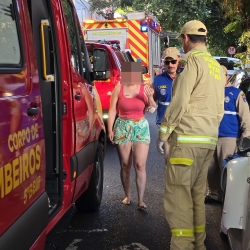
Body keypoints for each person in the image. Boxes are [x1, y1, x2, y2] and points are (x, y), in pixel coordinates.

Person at [156, 20, 225, 249]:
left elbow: (180, 101)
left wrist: (163, 134)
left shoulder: (190, 62)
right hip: (207, 142)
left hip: (185, 141)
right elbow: (218, 110)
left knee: (179, 200)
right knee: (196, 200)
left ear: (185, 38)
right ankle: (199, 245)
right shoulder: (215, 66)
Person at [108, 62, 156, 209]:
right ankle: (128, 196)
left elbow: (152, 108)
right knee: (125, 164)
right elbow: (111, 110)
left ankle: (141, 200)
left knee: (140, 165)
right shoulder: (119, 89)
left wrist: (150, 97)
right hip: (122, 126)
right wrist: (110, 129)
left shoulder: (144, 88)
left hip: (140, 127)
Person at [206, 65, 250, 203]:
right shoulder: (209, 92)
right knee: (210, 169)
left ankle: (230, 200)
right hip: (211, 136)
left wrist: (246, 135)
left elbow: (245, 117)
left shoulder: (236, 93)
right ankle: (214, 194)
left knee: (227, 169)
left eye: (220, 76)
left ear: (226, 76)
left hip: (229, 138)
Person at [152, 47, 180, 127]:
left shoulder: (187, 78)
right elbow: (151, 102)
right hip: (163, 123)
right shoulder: (157, 80)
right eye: (167, 62)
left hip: (181, 124)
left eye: (173, 62)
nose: (170, 65)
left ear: (179, 60)